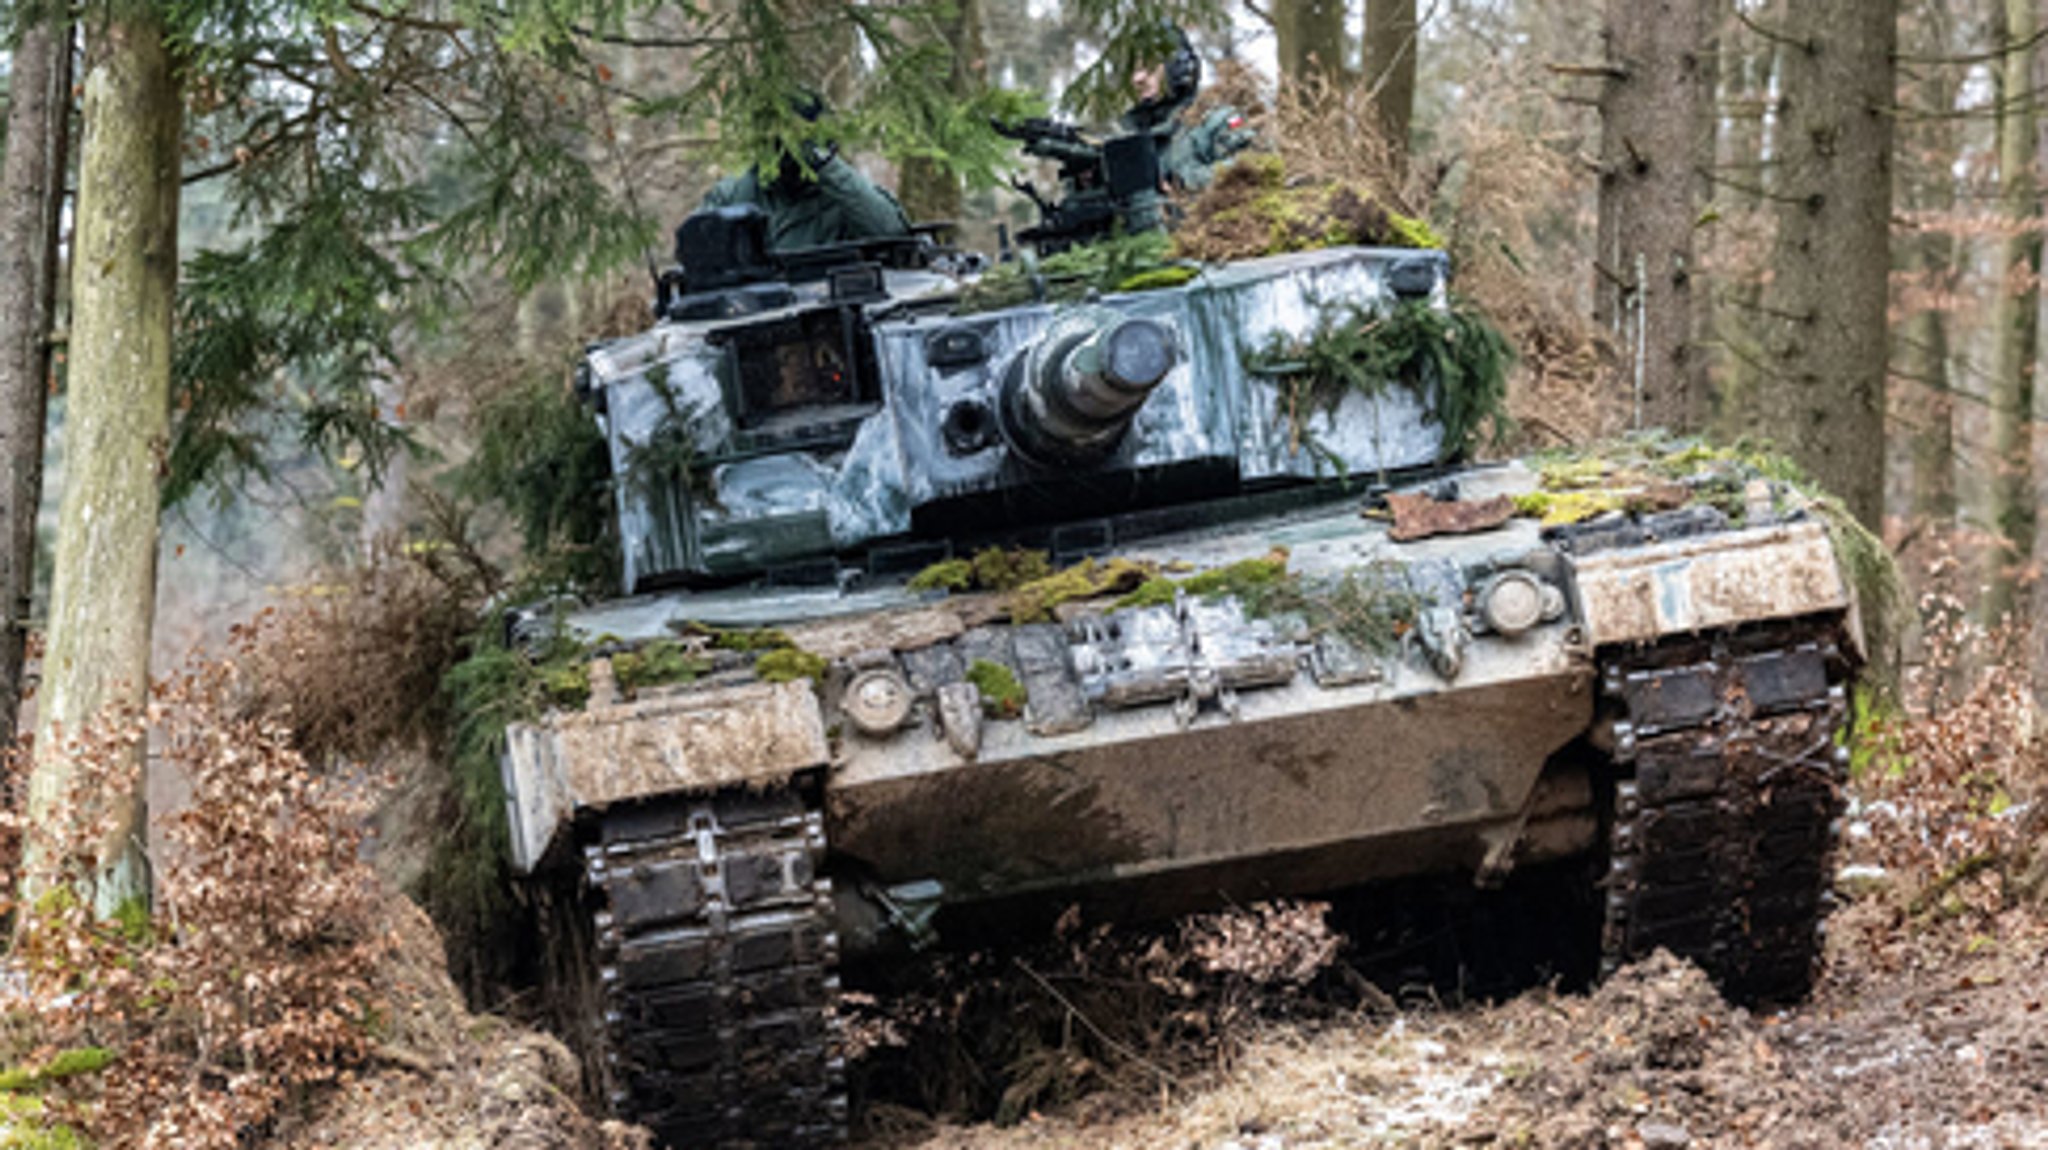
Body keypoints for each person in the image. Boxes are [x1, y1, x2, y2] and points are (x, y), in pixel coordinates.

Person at [697, 95, 913, 251]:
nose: (789, 152)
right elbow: (696, 250)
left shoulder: (843, 193)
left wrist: (825, 166)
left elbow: (892, 232)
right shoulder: (734, 195)